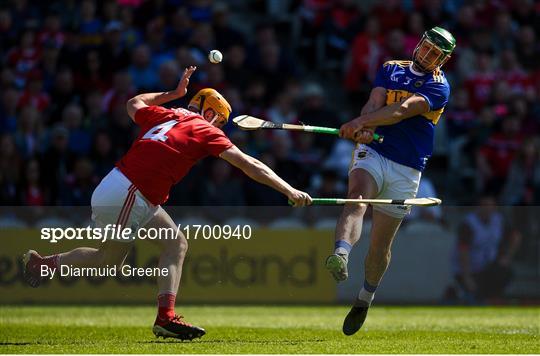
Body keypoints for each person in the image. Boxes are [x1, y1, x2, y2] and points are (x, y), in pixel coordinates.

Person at [22, 66, 312, 341]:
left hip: (131, 191)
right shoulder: (203, 128)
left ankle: (47, 266)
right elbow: (249, 164)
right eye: (220, 120)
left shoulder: (165, 114)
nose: (220, 126)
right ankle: (164, 318)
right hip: (130, 191)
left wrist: (173, 94)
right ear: (210, 112)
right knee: (109, 259)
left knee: (174, 244)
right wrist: (288, 189)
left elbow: (133, 102)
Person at [328, 27, 456, 335]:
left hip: (407, 168)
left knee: (379, 246)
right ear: (419, 44)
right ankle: (340, 254)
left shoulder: (440, 87)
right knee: (356, 197)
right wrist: (364, 126)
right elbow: (375, 103)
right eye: (426, 48)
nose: (427, 55)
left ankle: (365, 297)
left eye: (435, 54)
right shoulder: (391, 68)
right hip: (373, 153)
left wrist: (361, 123)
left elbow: (400, 111)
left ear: (443, 60)